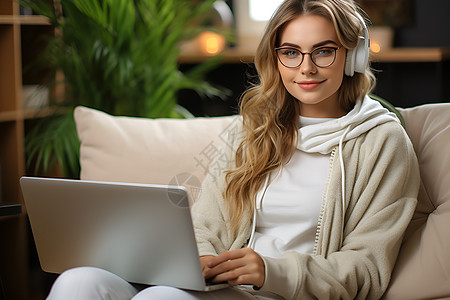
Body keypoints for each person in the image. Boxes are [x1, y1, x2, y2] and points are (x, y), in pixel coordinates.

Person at [46, 0, 420, 299]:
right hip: (223, 289)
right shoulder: (252, 131)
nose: (306, 68)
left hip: (281, 293)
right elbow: (204, 225)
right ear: (276, 58)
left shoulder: (381, 142)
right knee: (79, 282)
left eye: (323, 52)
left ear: (352, 57)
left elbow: (367, 268)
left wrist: (270, 271)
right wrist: (203, 257)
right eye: (291, 52)